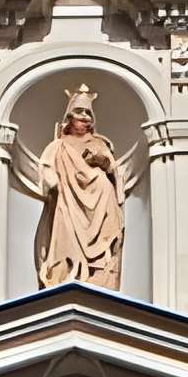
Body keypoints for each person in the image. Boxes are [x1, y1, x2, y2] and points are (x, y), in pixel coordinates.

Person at [37, 84, 124, 291]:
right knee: (66, 241)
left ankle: (98, 273)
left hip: (101, 201)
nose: (84, 117)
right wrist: (54, 184)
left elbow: (112, 168)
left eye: (88, 113)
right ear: (69, 117)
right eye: (79, 112)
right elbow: (46, 167)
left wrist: (101, 159)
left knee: (108, 230)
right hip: (68, 200)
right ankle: (67, 273)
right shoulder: (59, 145)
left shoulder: (100, 143)